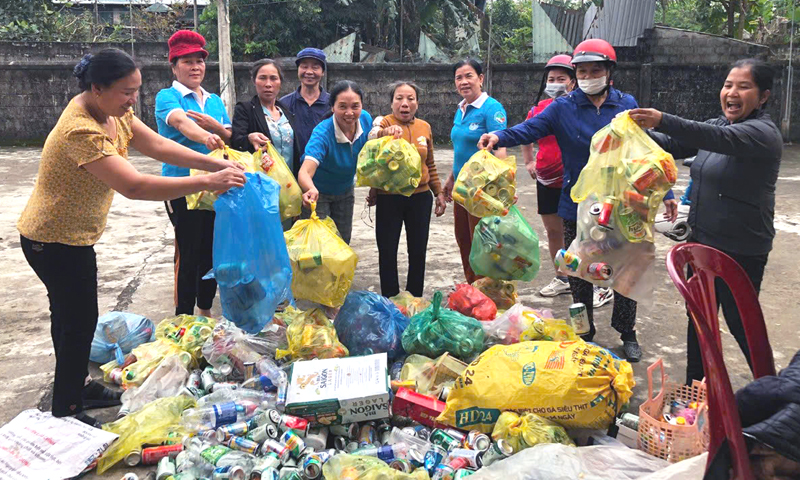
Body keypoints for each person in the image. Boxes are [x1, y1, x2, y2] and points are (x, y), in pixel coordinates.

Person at [16, 49, 245, 428]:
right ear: (96, 88)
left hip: (74, 237)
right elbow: (134, 186)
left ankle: (78, 385)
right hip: (53, 239)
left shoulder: (113, 113)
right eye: (126, 91)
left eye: (136, 90)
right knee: (77, 321)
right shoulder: (81, 128)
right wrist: (208, 180)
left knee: (73, 319)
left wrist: (215, 160)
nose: (133, 99)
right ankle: (67, 407)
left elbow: (156, 144)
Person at [477, 39, 678, 362]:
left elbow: (646, 151)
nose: (587, 76)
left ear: (609, 72)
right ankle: (584, 332)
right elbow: (529, 129)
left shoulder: (626, 105)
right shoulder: (564, 107)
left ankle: (627, 333)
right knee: (580, 272)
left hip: (623, 205)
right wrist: (499, 136)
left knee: (626, 271)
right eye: (581, 71)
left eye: (594, 70)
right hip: (578, 204)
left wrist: (665, 191)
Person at [629, 58, 782, 381]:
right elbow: (673, 145)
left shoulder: (761, 133)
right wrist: (635, 132)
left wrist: (662, 119)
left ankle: (770, 389)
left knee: (742, 322)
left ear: (763, 96)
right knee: (699, 318)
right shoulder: (720, 125)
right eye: (728, 85)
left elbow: (711, 138)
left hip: (740, 247)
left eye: (744, 86)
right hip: (701, 243)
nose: (732, 92)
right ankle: (696, 390)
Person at [155, 30, 232, 318]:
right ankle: (183, 317)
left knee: (210, 253)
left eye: (199, 60)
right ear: (174, 66)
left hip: (215, 186)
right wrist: (205, 136)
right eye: (187, 61)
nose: (195, 67)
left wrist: (219, 130)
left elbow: (228, 131)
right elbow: (180, 122)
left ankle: (205, 311)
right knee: (187, 254)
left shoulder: (213, 100)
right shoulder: (167, 96)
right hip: (181, 187)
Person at [365, 81, 448, 298]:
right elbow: (370, 139)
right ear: (391, 103)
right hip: (389, 199)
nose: (405, 104)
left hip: (419, 198)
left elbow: (429, 163)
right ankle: (390, 298)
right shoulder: (384, 122)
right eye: (399, 98)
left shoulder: (425, 127)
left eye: (410, 99)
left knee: (418, 251)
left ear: (417, 103)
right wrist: (384, 132)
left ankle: (415, 298)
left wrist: (438, 192)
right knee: (387, 251)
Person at [444, 58, 508, 284]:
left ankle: (489, 293)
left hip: (482, 190)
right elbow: (460, 150)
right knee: (464, 239)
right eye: (458, 77)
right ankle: (473, 289)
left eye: (469, 76)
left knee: (483, 242)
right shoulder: (460, 109)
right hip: (462, 189)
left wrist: (504, 190)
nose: (463, 82)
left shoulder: (492, 109)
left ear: (480, 79)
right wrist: (450, 180)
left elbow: (500, 151)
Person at [521, 54, 576, 299]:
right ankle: (562, 277)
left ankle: (585, 280)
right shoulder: (539, 109)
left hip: (574, 180)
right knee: (554, 232)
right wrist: (529, 161)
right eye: (551, 78)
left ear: (572, 82)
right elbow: (525, 135)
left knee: (578, 232)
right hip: (545, 180)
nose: (555, 83)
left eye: (561, 78)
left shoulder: (580, 107)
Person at [298, 80, 373, 244]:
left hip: (345, 190)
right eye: (342, 107)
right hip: (319, 194)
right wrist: (310, 189)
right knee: (320, 245)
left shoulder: (366, 120)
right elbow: (305, 171)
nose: (349, 112)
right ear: (332, 107)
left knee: (343, 241)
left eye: (355, 106)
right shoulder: (323, 133)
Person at [231, 58, 302, 229]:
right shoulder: (246, 109)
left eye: (273, 78)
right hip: (260, 188)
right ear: (254, 81)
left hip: (287, 187)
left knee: (286, 236)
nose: (268, 84)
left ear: (280, 82)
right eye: (262, 78)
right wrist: (249, 138)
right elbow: (235, 140)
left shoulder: (286, 111)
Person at [280, 48, 330, 160]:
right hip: (292, 168)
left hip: (324, 168)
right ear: (298, 70)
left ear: (322, 72)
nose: (309, 72)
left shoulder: (333, 105)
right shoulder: (284, 104)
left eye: (315, 67)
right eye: (304, 66)